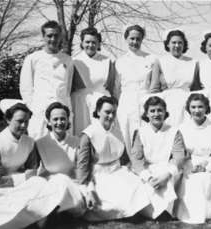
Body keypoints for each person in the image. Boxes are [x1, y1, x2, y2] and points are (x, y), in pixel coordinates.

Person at [0, 100, 76, 229]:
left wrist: (26, 177)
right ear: (8, 120)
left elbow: (32, 170)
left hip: (22, 179)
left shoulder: (29, 142)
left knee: (40, 184)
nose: (23, 125)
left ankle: (43, 217)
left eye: (26, 122)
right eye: (19, 121)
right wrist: (23, 178)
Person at [77, 96, 150, 221]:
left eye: (113, 113)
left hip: (117, 171)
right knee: (114, 199)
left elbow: (124, 157)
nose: (111, 116)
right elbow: (82, 165)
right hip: (98, 176)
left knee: (138, 186)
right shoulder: (88, 134)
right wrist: (86, 188)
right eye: (107, 112)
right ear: (98, 111)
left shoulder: (117, 130)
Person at [174, 93, 211, 224]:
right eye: (193, 107)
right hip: (189, 163)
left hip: (210, 163)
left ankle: (208, 212)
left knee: (205, 178)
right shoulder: (182, 128)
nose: (197, 110)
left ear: (206, 108)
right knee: (193, 181)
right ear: (188, 109)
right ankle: (192, 213)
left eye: (200, 107)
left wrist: (209, 165)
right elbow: (179, 152)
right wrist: (188, 165)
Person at [130, 96, 188, 219]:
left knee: (167, 180)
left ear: (165, 112)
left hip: (167, 168)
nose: (156, 114)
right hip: (147, 168)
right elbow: (137, 159)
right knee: (144, 183)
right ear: (146, 114)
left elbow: (178, 156)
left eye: (160, 110)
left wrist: (166, 175)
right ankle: (154, 212)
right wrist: (148, 177)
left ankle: (165, 212)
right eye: (152, 111)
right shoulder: (140, 132)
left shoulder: (174, 131)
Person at [20, 20, 74, 140]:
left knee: (63, 147)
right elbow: (26, 88)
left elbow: (68, 89)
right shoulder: (33, 58)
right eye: (49, 36)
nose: (53, 39)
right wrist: (33, 109)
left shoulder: (68, 60)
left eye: (56, 35)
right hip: (40, 112)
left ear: (60, 37)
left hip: (61, 112)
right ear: (43, 37)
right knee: (39, 145)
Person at [36, 102, 90, 221]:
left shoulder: (77, 142)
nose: (59, 123)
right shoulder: (40, 143)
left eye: (62, 119)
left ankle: (57, 212)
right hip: (49, 188)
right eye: (55, 119)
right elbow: (34, 170)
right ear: (49, 121)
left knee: (62, 181)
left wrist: (85, 191)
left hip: (72, 188)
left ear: (67, 121)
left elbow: (82, 170)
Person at [115, 24, 157, 153]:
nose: (135, 42)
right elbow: (116, 87)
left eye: (138, 39)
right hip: (126, 101)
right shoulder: (119, 61)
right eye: (132, 38)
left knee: (145, 132)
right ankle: (130, 160)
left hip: (145, 99)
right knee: (126, 131)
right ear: (126, 39)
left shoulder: (151, 59)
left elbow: (154, 84)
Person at [150, 29, 201, 127]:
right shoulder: (160, 62)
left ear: (184, 45)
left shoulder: (193, 62)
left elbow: (196, 89)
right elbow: (154, 90)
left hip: (187, 105)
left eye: (180, 43)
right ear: (168, 44)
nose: (177, 46)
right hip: (167, 104)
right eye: (173, 42)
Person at [71, 27, 114, 135]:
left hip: (101, 104)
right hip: (80, 104)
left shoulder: (107, 61)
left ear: (99, 44)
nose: (90, 45)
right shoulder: (74, 61)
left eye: (94, 42)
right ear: (82, 43)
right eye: (87, 42)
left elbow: (112, 86)